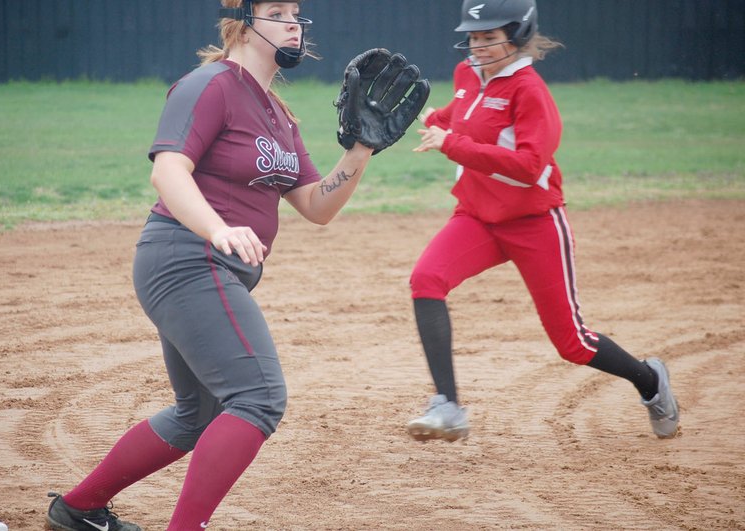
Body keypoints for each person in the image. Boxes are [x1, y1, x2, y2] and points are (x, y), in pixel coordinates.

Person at [43, 2, 420, 529]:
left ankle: (77, 510)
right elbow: (169, 172)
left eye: (297, 11)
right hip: (187, 258)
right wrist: (217, 228)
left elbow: (317, 206)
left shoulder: (278, 113)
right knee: (259, 397)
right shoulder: (209, 85)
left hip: (208, 268)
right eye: (276, 10)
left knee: (196, 415)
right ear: (243, 23)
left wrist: (361, 148)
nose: (294, 21)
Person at [405, 0, 679, 443]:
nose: (479, 47)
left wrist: (451, 143)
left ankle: (650, 381)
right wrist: (415, 118)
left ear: (517, 39)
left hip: (534, 222)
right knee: (426, 279)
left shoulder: (529, 91)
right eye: (474, 38)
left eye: (490, 38)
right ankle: (448, 406)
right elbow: (454, 120)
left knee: (571, 343)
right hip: (477, 216)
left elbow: (529, 165)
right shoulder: (465, 77)